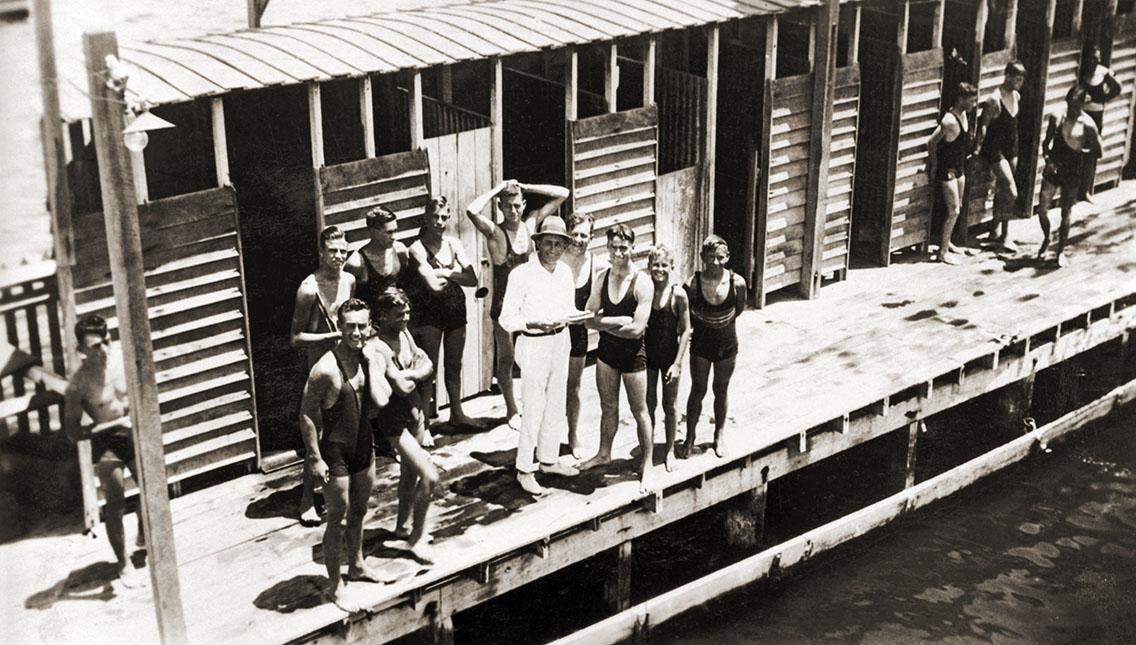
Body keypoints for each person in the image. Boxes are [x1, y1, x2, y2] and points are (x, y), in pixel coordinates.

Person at [299, 298, 392, 609]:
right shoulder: (324, 368)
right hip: (335, 452)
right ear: (339, 327)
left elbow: (382, 398)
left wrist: (374, 361)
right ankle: (335, 586)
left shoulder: (370, 356)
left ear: (369, 327)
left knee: (360, 512)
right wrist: (314, 457)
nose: (356, 332)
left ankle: (357, 565)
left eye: (362, 326)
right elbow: (308, 414)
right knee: (337, 518)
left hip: (364, 447)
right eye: (350, 326)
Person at [466, 180, 570, 431]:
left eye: (517, 206)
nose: (513, 211)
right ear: (500, 207)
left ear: (523, 205)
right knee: (507, 359)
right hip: (504, 305)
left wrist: (526, 186)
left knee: (536, 355)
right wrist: (496, 189)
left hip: (531, 303)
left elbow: (562, 194)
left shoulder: (531, 224)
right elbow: (471, 210)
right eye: (508, 206)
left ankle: (535, 402)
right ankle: (512, 408)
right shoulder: (495, 232)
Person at [497, 216, 582, 496]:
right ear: (538, 244)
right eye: (549, 243)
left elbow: (567, 308)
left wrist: (582, 317)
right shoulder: (520, 275)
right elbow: (506, 318)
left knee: (556, 403)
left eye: (559, 244)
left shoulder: (565, 273)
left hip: (561, 340)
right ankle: (524, 469)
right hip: (533, 344)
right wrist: (533, 324)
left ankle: (548, 460)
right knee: (533, 407)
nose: (554, 249)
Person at [63, 314, 145, 589]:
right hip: (107, 441)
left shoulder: (123, 359)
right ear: (81, 350)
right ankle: (124, 563)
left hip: (134, 432)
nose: (104, 350)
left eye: (107, 341)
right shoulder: (78, 384)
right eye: (96, 346)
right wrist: (110, 424)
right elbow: (73, 432)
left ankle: (146, 536)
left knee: (153, 487)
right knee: (116, 502)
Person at [580, 225, 656, 493]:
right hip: (607, 354)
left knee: (640, 412)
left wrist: (602, 323)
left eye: (624, 248)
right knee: (608, 407)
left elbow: (637, 330)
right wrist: (616, 320)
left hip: (634, 356)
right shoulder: (602, 278)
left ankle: (647, 466)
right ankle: (604, 453)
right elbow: (588, 320)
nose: (619, 253)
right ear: (607, 248)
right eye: (613, 247)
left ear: (633, 248)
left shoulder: (642, 282)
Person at [290, 225, 355, 526]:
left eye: (343, 251)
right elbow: (295, 337)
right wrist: (331, 337)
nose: (339, 256)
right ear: (321, 253)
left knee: (344, 430)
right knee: (315, 433)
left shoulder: (350, 280)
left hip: (344, 364)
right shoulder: (308, 289)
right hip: (318, 367)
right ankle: (306, 501)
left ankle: (339, 494)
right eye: (333, 251)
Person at [402, 196, 481, 441]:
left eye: (444, 217)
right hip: (429, 314)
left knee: (454, 364)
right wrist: (453, 274)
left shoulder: (454, 243)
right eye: (435, 217)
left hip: (455, 309)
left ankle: (457, 414)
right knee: (429, 369)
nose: (440, 222)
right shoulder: (416, 247)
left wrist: (446, 272)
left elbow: (473, 279)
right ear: (426, 217)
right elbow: (432, 286)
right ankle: (423, 425)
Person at [369, 288, 438, 562]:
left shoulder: (405, 334)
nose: (405, 319)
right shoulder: (378, 348)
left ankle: (401, 527)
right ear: (383, 316)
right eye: (399, 315)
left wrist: (410, 373)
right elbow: (399, 387)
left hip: (416, 414)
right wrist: (415, 373)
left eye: (407, 313)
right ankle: (416, 540)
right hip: (394, 422)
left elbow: (429, 364)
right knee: (430, 477)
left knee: (409, 474)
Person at [682, 235, 747, 459]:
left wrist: (720, 323)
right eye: (710, 257)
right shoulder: (692, 284)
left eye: (720, 258)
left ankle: (719, 434)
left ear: (727, 258)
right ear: (702, 257)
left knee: (721, 389)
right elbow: (686, 314)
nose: (715, 262)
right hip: (701, 343)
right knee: (698, 390)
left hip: (727, 344)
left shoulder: (737, 282)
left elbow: (738, 309)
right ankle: (690, 436)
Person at [1037, 84, 1101, 267]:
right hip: (1054, 167)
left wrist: (1081, 152)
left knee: (1066, 212)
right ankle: (1047, 237)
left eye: (1075, 105)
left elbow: (1098, 150)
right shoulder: (1057, 118)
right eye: (1069, 104)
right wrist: (1048, 160)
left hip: (1073, 170)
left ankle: (1060, 251)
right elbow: (1045, 144)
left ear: (1082, 104)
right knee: (1042, 209)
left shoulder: (1088, 125)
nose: (1072, 109)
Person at [643, 244, 692, 472]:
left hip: (670, 358)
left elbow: (686, 331)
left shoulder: (678, 295)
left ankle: (670, 450)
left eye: (664, 265)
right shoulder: (644, 290)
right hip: (649, 357)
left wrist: (678, 363)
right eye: (656, 265)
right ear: (649, 266)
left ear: (672, 267)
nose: (659, 269)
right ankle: (649, 450)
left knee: (669, 406)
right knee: (648, 404)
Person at [563, 211, 603, 459]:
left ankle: (573, 435)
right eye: (574, 234)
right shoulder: (558, 259)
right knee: (549, 387)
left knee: (573, 388)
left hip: (577, 333)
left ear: (592, 237)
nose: (578, 239)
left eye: (584, 235)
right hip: (554, 332)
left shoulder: (597, 264)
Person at [975, 60, 1027, 252]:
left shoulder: (1017, 97)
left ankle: (994, 231)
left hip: (1011, 147)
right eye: (1017, 78)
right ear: (1008, 76)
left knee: (1002, 190)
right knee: (1012, 192)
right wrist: (978, 148)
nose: (1020, 82)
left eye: (1022, 79)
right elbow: (984, 124)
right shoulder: (994, 99)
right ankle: (1005, 236)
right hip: (995, 149)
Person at [927, 82, 979, 264]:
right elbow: (931, 142)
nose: (974, 104)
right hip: (947, 169)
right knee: (954, 210)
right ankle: (942, 253)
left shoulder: (964, 115)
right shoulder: (949, 120)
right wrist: (934, 165)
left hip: (959, 168)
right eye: (971, 101)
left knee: (959, 207)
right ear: (961, 99)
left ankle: (947, 242)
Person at [345, 205, 407, 313]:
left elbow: (405, 282)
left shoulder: (399, 250)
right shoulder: (357, 262)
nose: (394, 236)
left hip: (395, 316)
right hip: (371, 321)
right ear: (373, 232)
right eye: (389, 232)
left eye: (395, 231)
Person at [1079, 46, 1122, 202]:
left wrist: (1104, 98)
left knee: (1091, 154)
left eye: (1097, 58)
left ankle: (1085, 191)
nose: (1094, 61)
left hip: (1096, 116)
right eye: (1091, 58)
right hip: (1082, 114)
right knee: (1078, 150)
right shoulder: (1082, 71)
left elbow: (1118, 88)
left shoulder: (1104, 73)